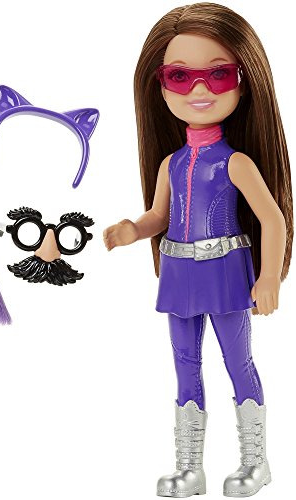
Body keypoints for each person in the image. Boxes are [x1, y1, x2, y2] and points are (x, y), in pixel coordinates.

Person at [103, 3, 293, 497]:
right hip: (179, 274)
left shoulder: (236, 163)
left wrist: (268, 276)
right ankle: (190, 467)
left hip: (227, 272)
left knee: (238, 361)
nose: (200, 89)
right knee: (184, 365)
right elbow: (159, 216)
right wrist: (133, 229)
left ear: (243, 81)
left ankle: (255, 461)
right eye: (180, 76)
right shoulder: (170, 163)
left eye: (218, 74)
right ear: (160, 86)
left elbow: (273, 218)